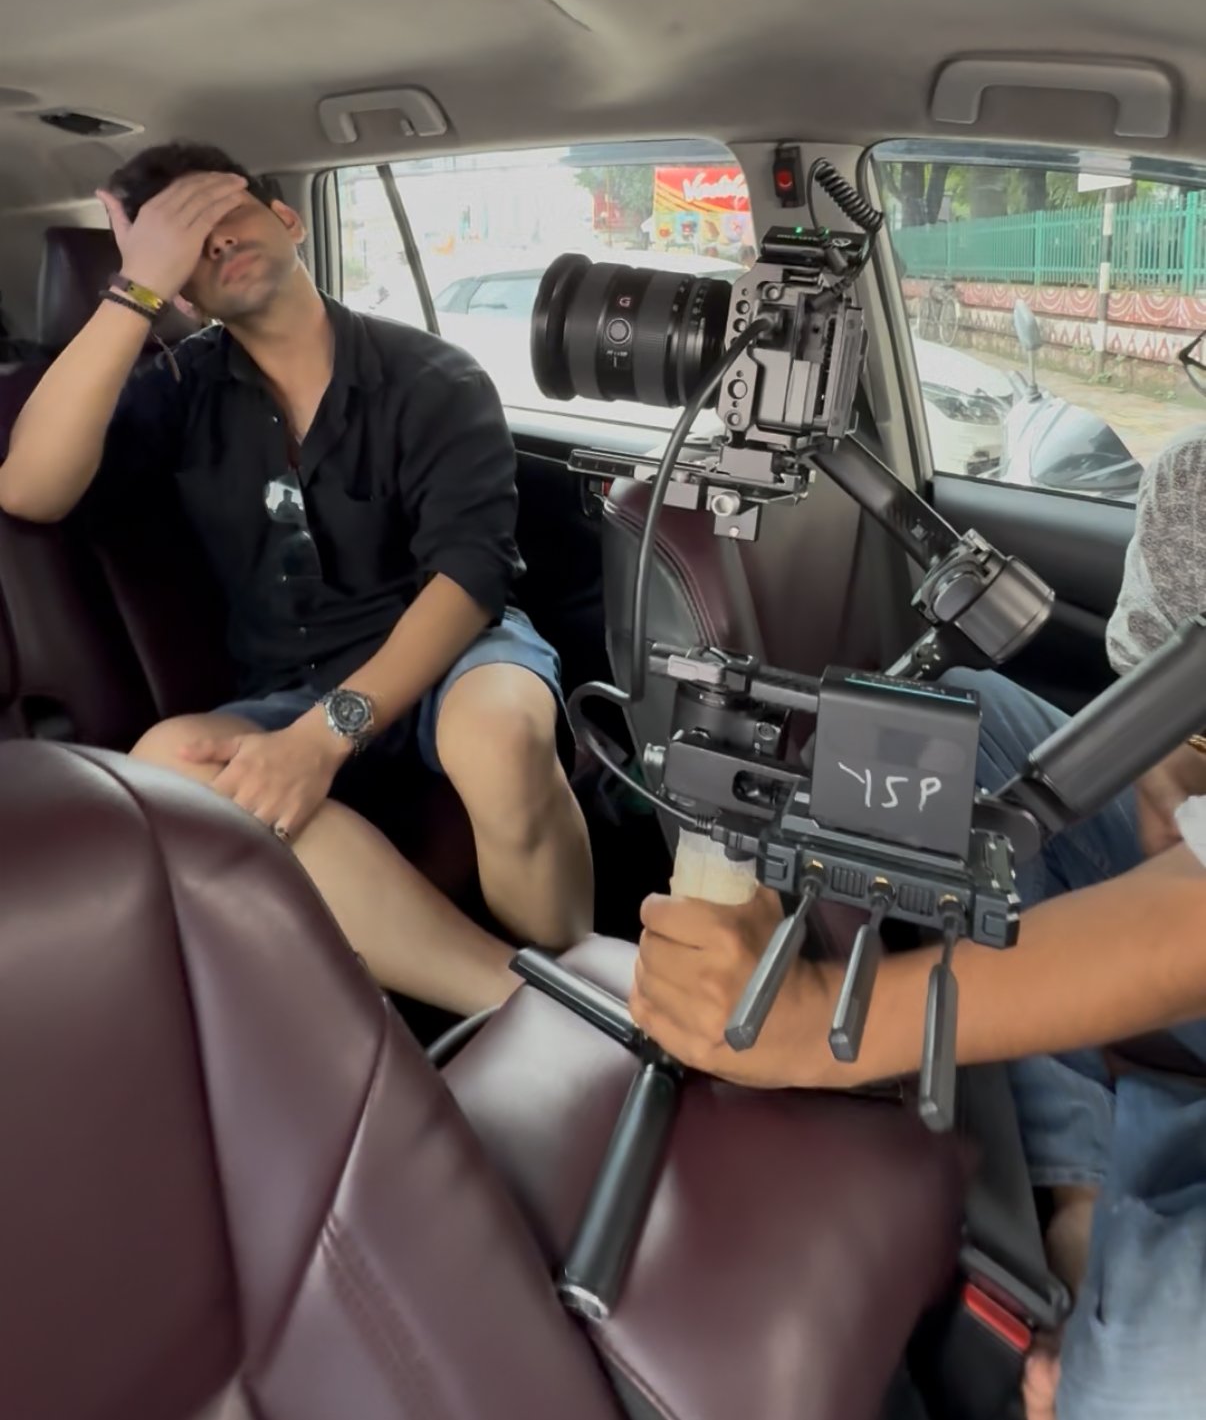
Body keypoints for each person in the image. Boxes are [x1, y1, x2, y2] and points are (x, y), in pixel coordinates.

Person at [631, 427, 1206, 1420]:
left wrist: (814, 1026)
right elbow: (1170, 734)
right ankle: (1081, 1187)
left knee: (1138, 1388)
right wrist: (1177, 779)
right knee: (949, 739)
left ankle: (1120, 1249)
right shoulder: (1191, 474)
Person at [0, 143, 594, 1016]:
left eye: (224, 213)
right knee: (162, 765)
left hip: (449, 652)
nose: (215, 244)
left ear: (288, 219)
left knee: (499, 735)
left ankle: (579, 966)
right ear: (179, 288)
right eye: (185, 243)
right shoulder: (179, 387)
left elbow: (468, 580)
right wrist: (137, 291)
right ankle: (531, 1008)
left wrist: (327, 736)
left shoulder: (435, 376)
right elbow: (29, 488)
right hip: (289, 682)